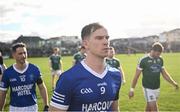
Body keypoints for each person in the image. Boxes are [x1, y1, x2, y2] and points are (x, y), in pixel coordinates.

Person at [49, 23, 122, 111]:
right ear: (85, 44)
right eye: (99, 38)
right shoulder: (68, 78)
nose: (106, 42)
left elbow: (114, 109)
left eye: (107, 38)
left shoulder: (116, 75)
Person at [128, 42, 179, 112]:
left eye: (160, 54)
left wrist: (173, 83)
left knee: (149, 108)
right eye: (158, 54)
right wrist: (132, 90)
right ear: (153, 51)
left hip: (157, 88)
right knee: (154, 109)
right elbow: (136, 76)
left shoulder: (160, 60)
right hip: (147, 88)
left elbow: (164, 74)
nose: (159, 56)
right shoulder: (143, 60)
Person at [0, 43, 49, 111]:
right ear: (14, 55)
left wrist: (46, 105)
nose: (23, 56)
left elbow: (42, 87)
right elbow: (3, 93)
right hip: (15, 108)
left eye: (25, 53)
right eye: (20, 53)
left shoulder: (34, 69)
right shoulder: (8, 73)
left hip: (32, 108)